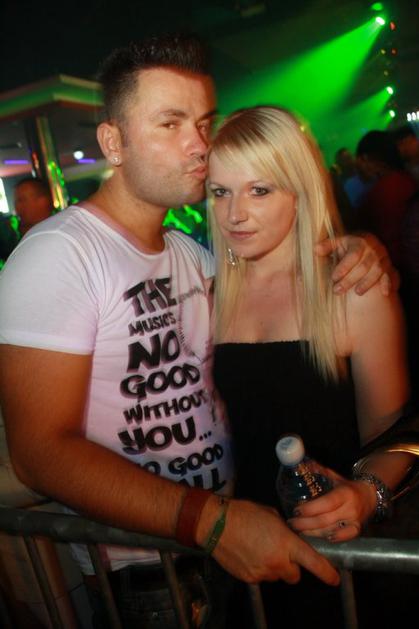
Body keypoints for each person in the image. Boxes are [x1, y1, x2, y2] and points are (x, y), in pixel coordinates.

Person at [0, 34, 394, 627]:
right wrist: (213, 522)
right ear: (113, 142)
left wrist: (361, 250)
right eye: (170, 124)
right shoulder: (58, 253)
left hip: (233, 549)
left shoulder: (194, 257)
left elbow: (276, 280)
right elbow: (39, 453)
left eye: (204, 123)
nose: (199, 146)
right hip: (147, 567)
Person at [207, 106, 413, 627]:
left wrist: (365, 494)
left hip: (337, 562)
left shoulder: (351, 291)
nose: (234, 214)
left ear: (300, 190)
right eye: (220, 191)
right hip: (244, 561)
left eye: (259, 190)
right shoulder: (207, 295)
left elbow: (398, 434)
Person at [356, 130, 417, 269]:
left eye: (358, 164)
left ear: (366, 159)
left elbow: (391, 239)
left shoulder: (382, 191)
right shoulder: (407, 178)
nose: (358, 172)